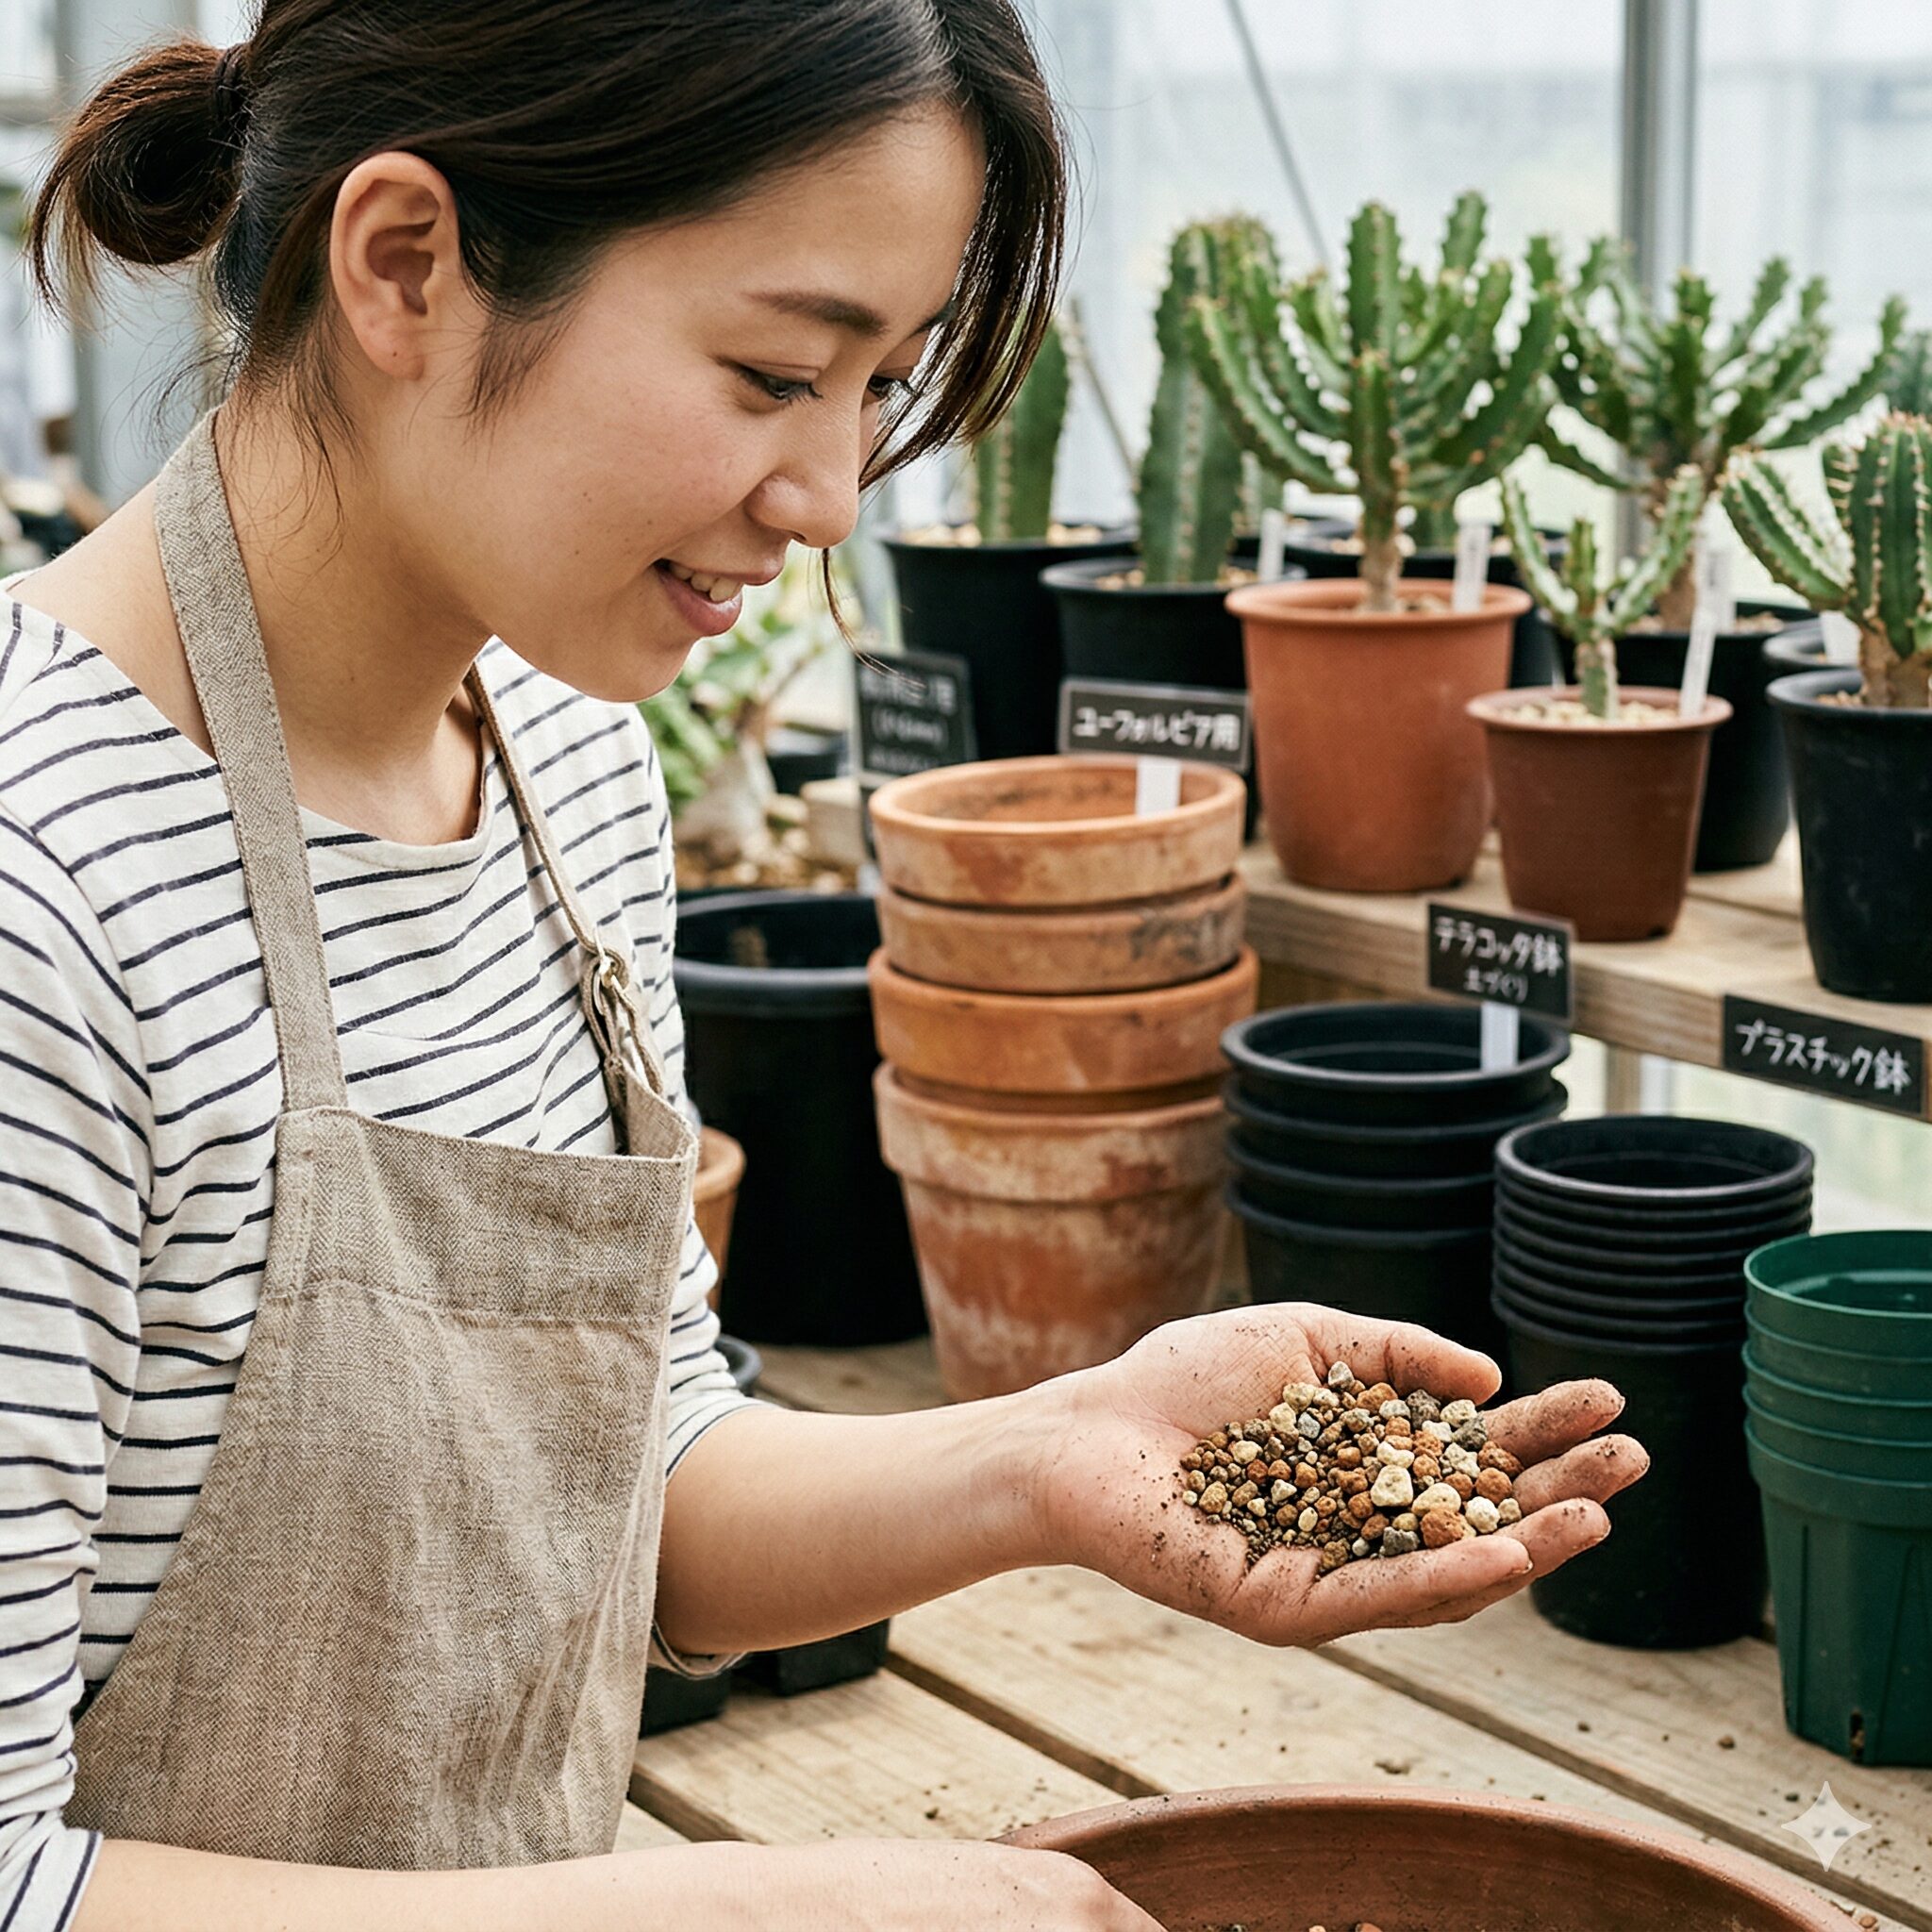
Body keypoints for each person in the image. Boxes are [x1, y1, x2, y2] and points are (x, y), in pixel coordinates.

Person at [0, 6, 1648, 1927]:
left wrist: (1056, 1453)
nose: (831, 496)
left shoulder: (565, 766)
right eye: (775, 373)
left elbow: (634, 1489)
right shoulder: (48, 889)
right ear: (404, 266)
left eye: (879, 384)